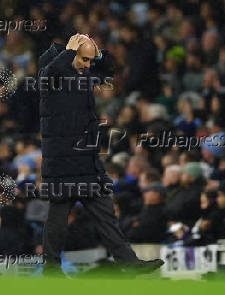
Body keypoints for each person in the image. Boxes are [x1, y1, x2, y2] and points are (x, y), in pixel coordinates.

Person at [38, 33, 163, 275]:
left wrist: (96, 51)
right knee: (58, 217)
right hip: (63, 161)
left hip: (87, 160)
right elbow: (49, 73)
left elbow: (107, 71)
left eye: (88, 61)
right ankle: (51, 269)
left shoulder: (82, 78)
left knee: (105, 214)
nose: (87, 65)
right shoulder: (50, 83)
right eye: (83, 60)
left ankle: (128, 262)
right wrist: (70, 50)